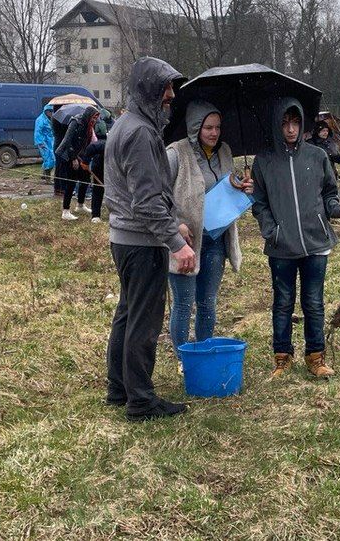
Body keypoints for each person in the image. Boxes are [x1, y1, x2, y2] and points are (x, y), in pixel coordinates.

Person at [104, 57, 195, 422]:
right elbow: (145, 200)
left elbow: (142, 192)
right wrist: (176, 242)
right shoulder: (140, 132)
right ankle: (141, 401)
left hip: (125, 239)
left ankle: (119, 388)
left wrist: (173, 223)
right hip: (141, 243)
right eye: (166, 89)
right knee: (143, 320)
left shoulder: (126, 124)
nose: (171, 96)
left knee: (127, 313)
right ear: (149, 91)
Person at [251, 99, 340, 380]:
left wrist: (339, 210)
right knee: (283, 302)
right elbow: (258, 203)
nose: (290, 129)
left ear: (302, 124)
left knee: (313, 302)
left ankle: (316, 356)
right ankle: (282, 357)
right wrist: (272, 231)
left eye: (295, 122)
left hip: (315, 243)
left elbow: (329, 195)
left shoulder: (317, 157)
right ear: (277, 125)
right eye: (284, 123)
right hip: (281, 247)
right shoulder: (264, 161)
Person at [166, 101, 251, 361]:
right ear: (195, 127)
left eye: (217, 127)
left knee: (207, 302)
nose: (214, 133)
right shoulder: (176, 153)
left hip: (215, 238)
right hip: (186, 242)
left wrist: (240, 186)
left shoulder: (224, 151)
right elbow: (157, 194)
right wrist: (175, 224)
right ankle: (184, 359)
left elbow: (224, 184)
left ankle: (203, 354)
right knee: (183, 304)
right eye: (208, 128)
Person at [56, 106, 100, 221]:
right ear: (89, 116)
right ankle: (65, 211)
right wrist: (73, 158)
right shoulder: (76, 122)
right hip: (69, 156)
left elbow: (87, 142)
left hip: (81, 155)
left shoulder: (89, 125)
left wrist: (86, 158)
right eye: (93, 118)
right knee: (71, 182)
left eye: (96, 118)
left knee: (85, 179)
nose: (95, 120)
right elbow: (67, 141)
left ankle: (80, 205)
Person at [80, 137, 106, 223]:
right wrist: (85, 162)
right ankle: (96, 215)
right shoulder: (106, 145)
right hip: (99, 165)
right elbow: (92, 147)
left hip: (115, 168)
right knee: (98, 189)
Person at [34, 104, 56, 182]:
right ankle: (48, 179)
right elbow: (37, 132)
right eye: (50, 111)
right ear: (45, 111)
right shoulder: (40, 120)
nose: (51, 113)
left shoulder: (50, 119)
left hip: (50, 141)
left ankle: (43, 175)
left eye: (52, 111)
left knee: (51, 158)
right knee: (48, 159)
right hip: (43, 141)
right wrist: (40, 142)